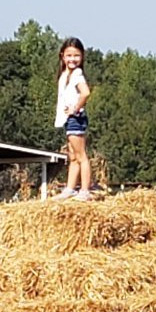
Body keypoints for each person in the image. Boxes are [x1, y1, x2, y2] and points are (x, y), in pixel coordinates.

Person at [54, 37, 92, 201]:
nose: (72, 59)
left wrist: (75, 109)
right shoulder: (65, 74)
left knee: (81, 155)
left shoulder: (77, 74)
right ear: (62, 56)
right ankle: (70, 188)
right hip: (68, 120)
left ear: (82, 56)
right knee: (73, 156)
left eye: (76, 55)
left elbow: (86, 93)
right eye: (69, 55)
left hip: (75, 118)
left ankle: (85, 190)